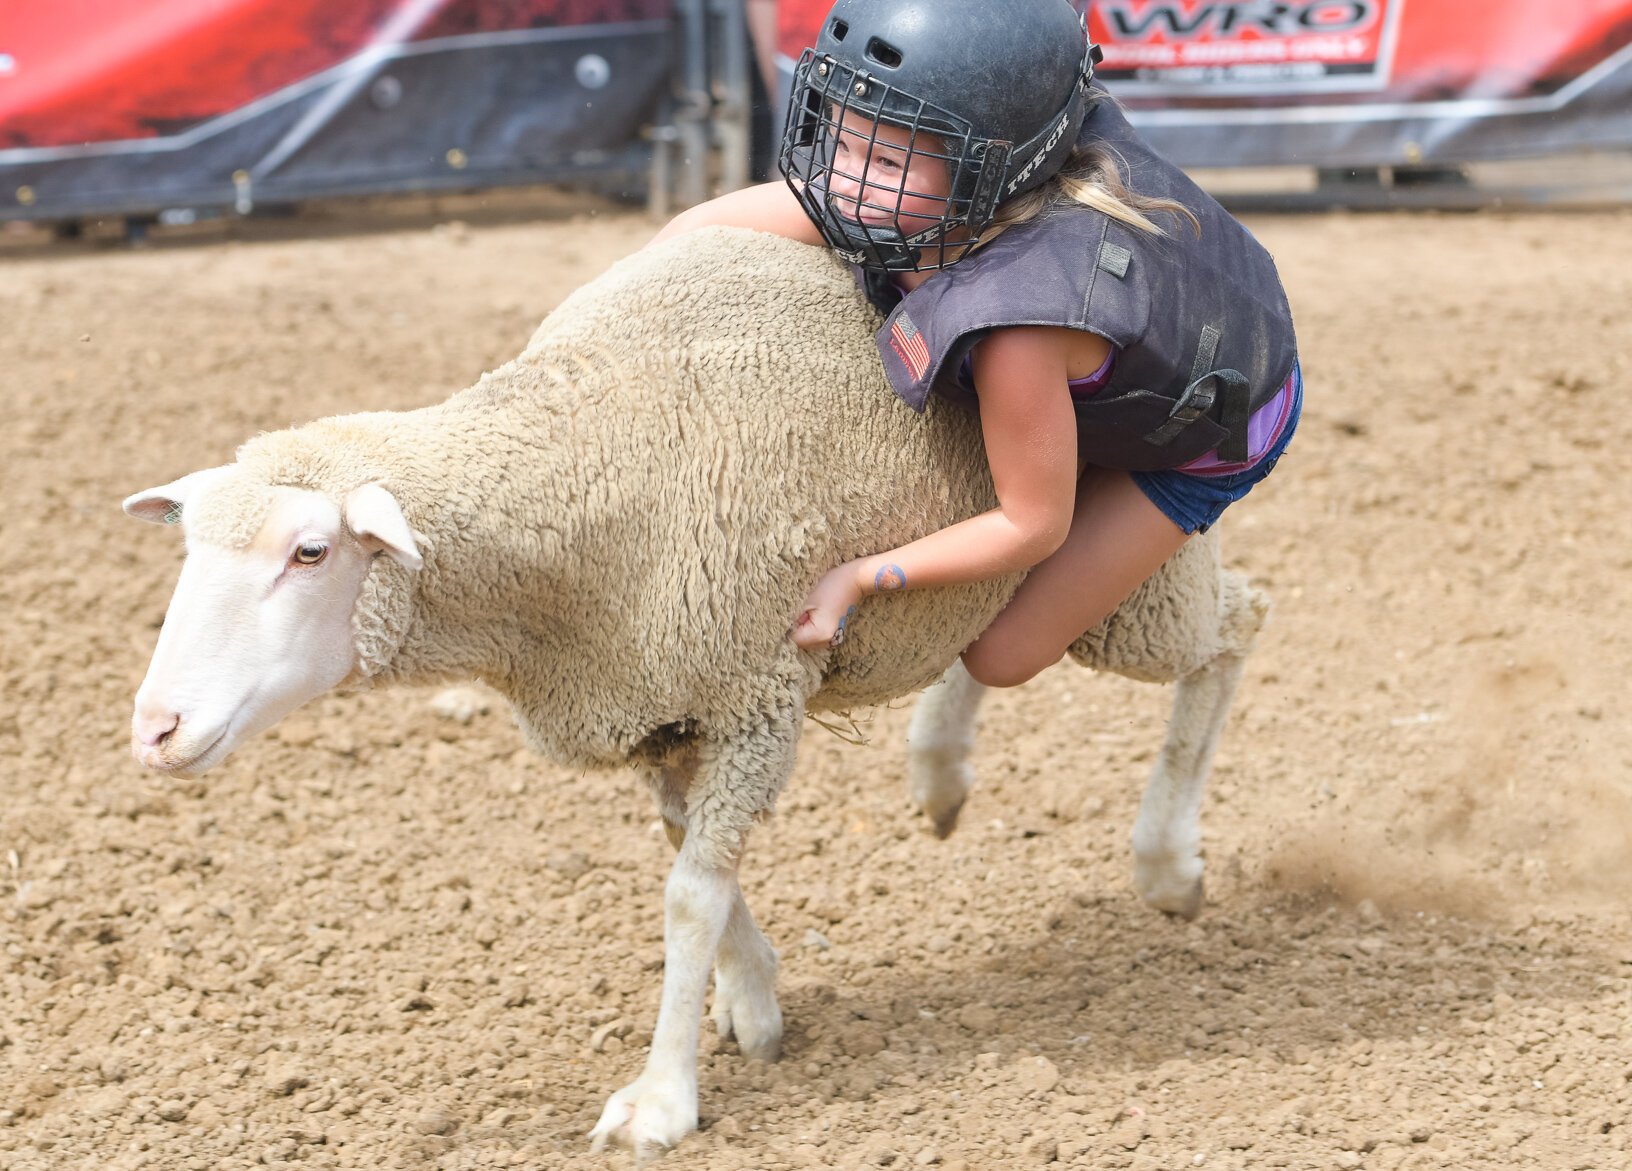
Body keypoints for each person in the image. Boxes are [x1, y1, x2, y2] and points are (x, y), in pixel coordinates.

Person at [652, 0, 1301, 688]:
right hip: (1120, 312)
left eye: (886, 158)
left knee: (1000, 657)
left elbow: (1032, 524)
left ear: (991, 169)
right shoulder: (903, 189)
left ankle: (1119, 465)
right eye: (839, 141)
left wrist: (863, 577)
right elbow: (694, 239)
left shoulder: (1018, 326)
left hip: (1221, 421)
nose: (846, 181)